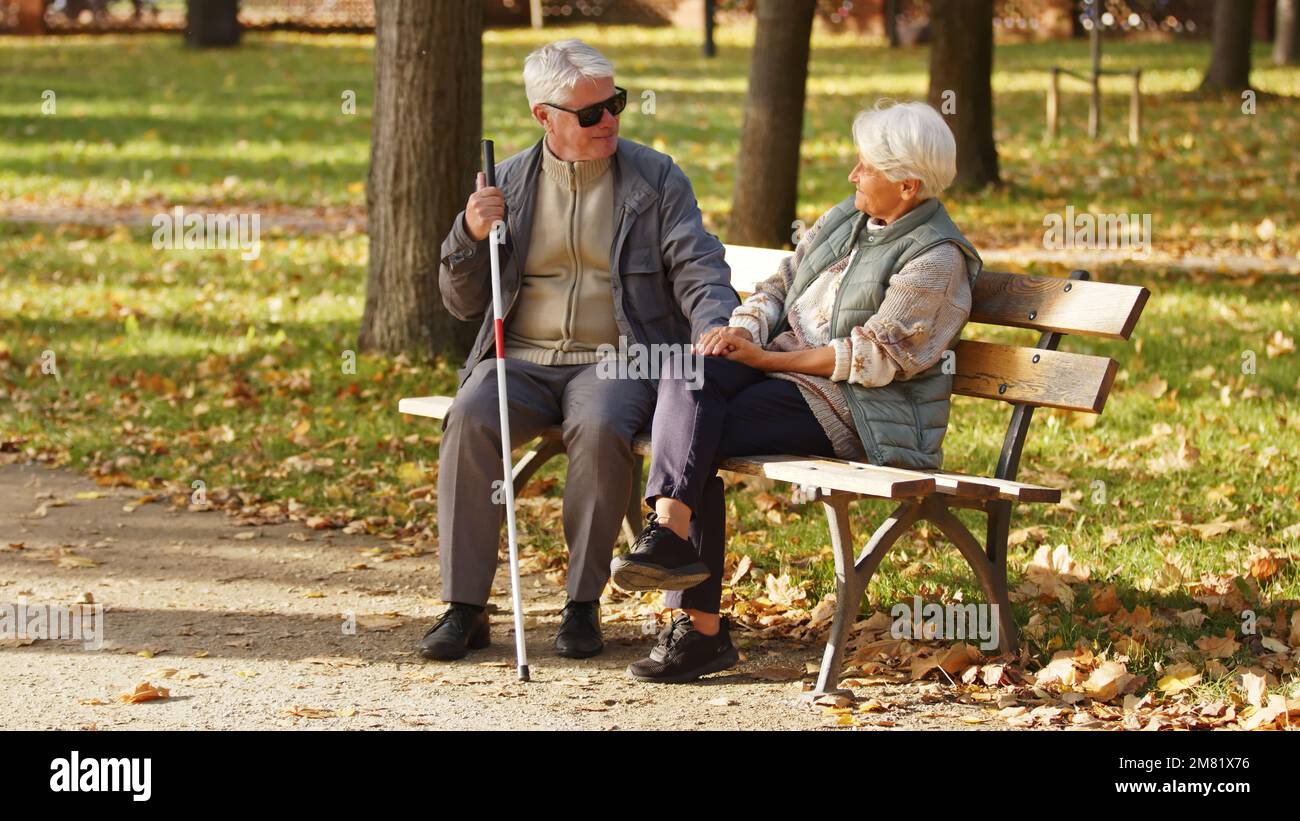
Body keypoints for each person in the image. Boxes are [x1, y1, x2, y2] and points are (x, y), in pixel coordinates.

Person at [610, 100, 984, 683]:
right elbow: (780, 284)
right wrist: (740, 333)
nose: (854, 176)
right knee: (689, 369)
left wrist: (768, 357)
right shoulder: (847, 220)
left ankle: (693, 610)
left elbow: (878, 355)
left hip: (852, 406)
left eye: (866, 168)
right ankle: (673, 539)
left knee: (693, 436)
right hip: (778, 368)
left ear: (908, 185)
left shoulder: (936, 258)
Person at [424, 39, 738, 662]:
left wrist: (715, 325)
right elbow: (462, 303)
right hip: (519, 359)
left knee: (597, 428)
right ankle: (464, 606)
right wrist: (469, 232)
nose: (609, 121)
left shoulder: (655, 178)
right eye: (590, 113)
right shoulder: (507, 180)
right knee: (469, 417)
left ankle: (581, 604)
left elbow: (698, 265)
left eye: (614, 104)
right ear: (545, 116)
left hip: (616, 361)